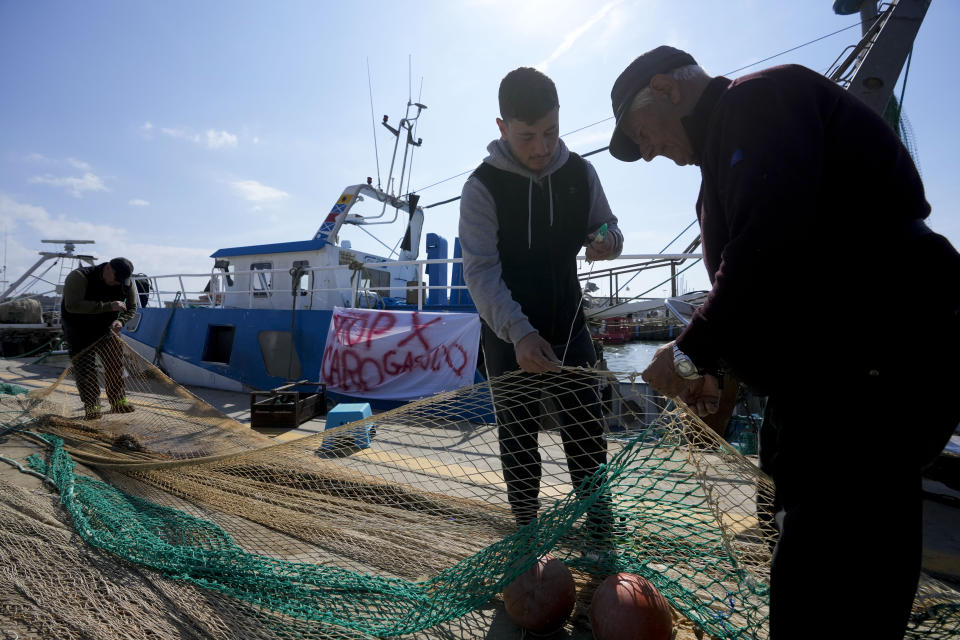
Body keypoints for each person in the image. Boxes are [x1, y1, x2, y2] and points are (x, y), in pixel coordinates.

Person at [607, 46, 960, 639]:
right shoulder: (715, 174)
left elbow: (771, 238)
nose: (645, 152)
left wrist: (692, 351)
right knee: (801, 543)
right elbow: (764, 289)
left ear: (666, 88)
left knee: (840, 565)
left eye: (640, 133)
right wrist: (722, 376)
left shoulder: (757, 99)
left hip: (878, 360)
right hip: (819, 380)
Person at [459, 67, 624, 546]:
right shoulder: (481, 188)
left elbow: (609, 227)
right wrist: (520, 332)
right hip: (509, 335)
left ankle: (600, 528)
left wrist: (606, 241)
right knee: (518, 440)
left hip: (570, 327)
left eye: (551, 132)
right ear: (502, 128)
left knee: (587, 434)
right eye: (528, 136)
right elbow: (481, 273)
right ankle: (527, 536)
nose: (541, 147)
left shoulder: (580, 174)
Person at [61, 257, 139, 419]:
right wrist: (108, 306)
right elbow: (72, 305)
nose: (118, 284)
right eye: (116, 279)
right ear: (108, 268)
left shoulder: (125, 282)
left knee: (115, 364)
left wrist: (120, 320)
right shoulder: (79, 277)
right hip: (78, 330)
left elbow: (131, 307)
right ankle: (92, 405)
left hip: (106, 329)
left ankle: (118, 402)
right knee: (85, 369)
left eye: (121, 281)